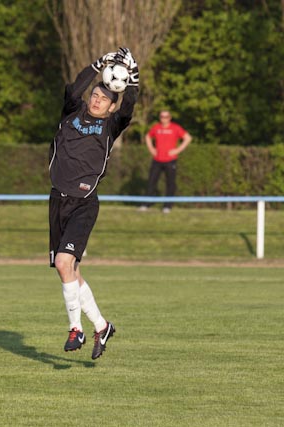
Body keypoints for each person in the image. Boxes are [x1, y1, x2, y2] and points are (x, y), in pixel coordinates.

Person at [49, 47, 138, 359]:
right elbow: (74, 88)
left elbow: (129, 106)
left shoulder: (111, 126)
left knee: (64, 263)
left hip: (83, 203)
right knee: (69, 270)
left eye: (104, 98)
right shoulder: (72, 113)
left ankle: (76, 329)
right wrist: (98, 65)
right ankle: (102, 326)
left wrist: (133, 78)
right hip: (57, 200)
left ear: (112, 107)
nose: (97, 100)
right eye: (95, 95)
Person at [139, 110, 192, 213]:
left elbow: (187, 138)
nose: (164, 119)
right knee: (151, 182)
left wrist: (177, 150)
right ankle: (146, 204)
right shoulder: (156, 127)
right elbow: (148, 136)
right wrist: (151, 149)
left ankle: (167, 206)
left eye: (166, 117)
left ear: (170, 117)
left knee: (170, 184)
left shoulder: (175, 128)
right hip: (157, 160)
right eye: (162, 117)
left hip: (170, 160)